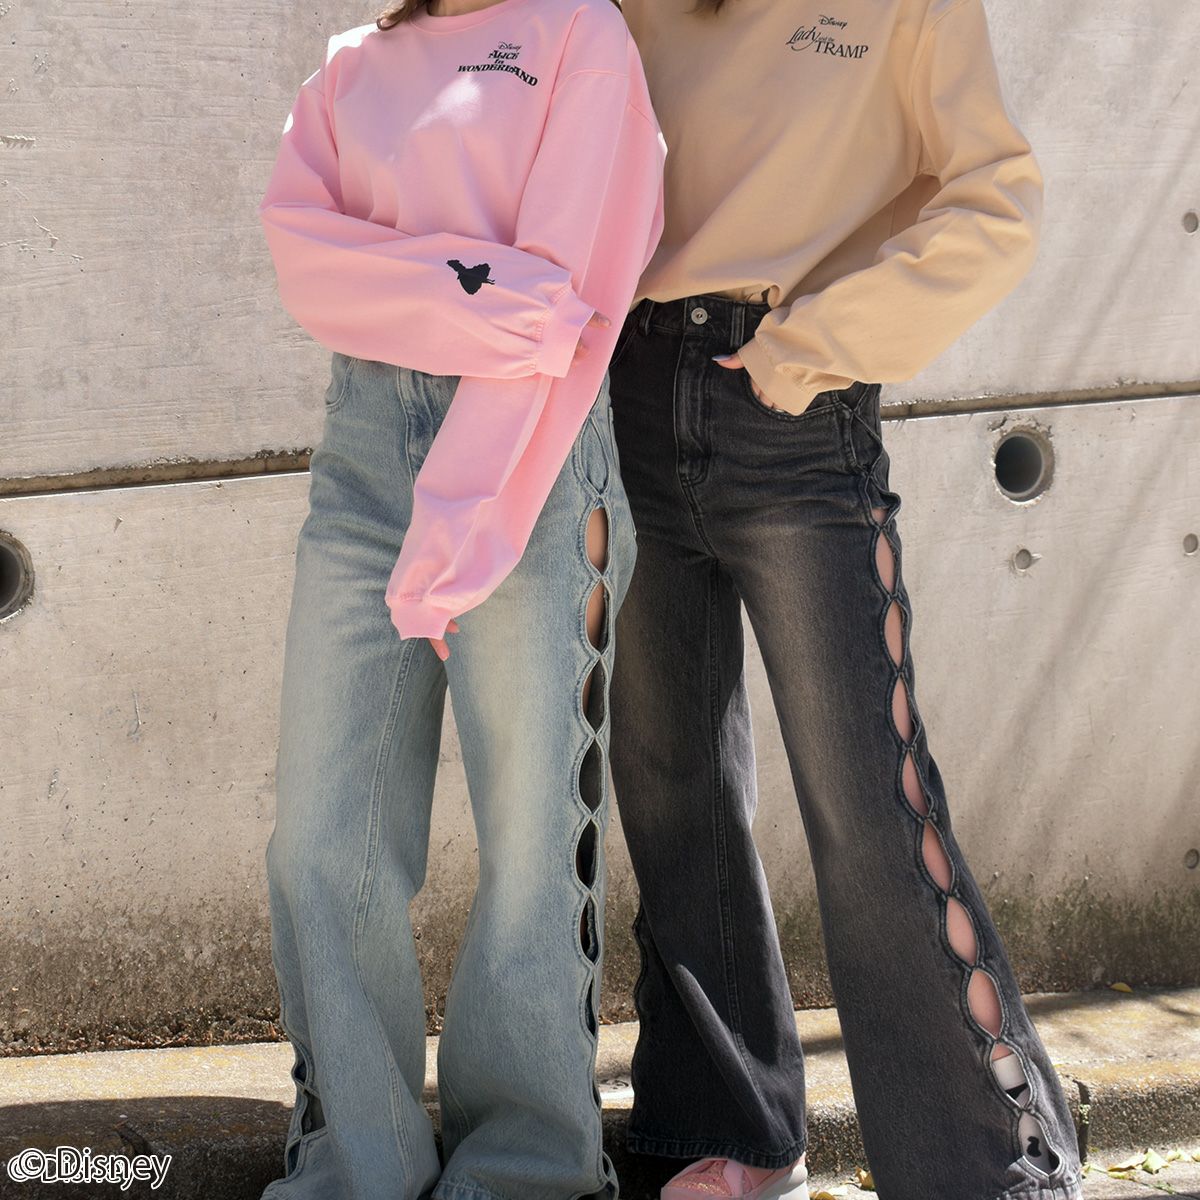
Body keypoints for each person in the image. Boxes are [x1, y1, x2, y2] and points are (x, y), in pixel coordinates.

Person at [606, 1, 1084, 1199]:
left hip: (794, 417)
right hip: (625, 396)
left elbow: (996, 202)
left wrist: (807, 350)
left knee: (873, 804)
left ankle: (996, 1166)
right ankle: (732, 1130)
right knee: (670, 790)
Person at [255, 0, 664, 1195]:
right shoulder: (352, 65)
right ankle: (357, 1163)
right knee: (320, 842)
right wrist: (497, 301)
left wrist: (463, 510)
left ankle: (528, 1168)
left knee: (537, 847)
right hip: (363, 455)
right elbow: (308, 265)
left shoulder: (581, 34)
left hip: (538, 459)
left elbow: (577, 301)